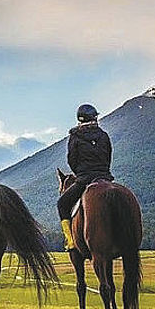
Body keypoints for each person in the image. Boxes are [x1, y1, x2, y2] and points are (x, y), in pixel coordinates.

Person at [57, 104, 113, 249]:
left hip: (84, 179)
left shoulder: (74, 137)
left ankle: (70, 242)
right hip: (105, 177)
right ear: (94, 118)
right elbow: (108, 157)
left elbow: (72, 160)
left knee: (62, 204)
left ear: (80, 120)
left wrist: (81, 174)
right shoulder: (104, 136)